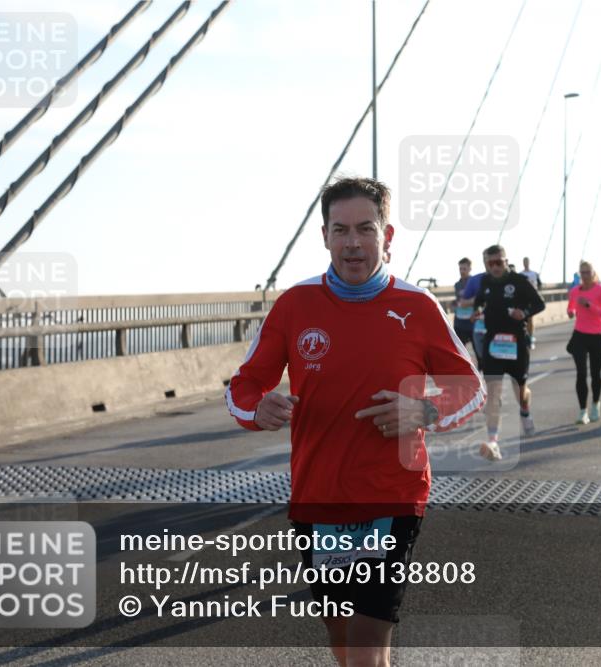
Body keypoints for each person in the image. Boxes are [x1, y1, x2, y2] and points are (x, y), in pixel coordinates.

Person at [227, 177, 485, 666]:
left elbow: (472, 389)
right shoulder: (294, 305)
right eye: (340, 230)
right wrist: (257, 409)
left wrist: (425, 410)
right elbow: (243, 386)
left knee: (367, 645)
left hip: (392, 496)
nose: (352, 243)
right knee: (343, 636)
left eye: (365, 229)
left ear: (387, 237)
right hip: (317, 498)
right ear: (324, 236)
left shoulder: (417, 306)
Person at [472, 244, 545, 460]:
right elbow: (479, 302)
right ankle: (493, 441)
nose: (495, 267)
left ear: (506, 261)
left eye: (499, 262)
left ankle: (525, 412)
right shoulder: (485, 281)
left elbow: (539, 304)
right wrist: (476, 311)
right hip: (493, 343)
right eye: (490, 263)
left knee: (520, 391)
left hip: (516, 344)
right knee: (493, 393)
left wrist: (524, 312)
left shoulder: (519, 282)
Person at [567, 261, 601, 424]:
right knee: (581, 374)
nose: (584, 276)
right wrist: (571, 312)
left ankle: (595, 404)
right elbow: (570, 307)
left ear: (593, 273)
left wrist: (589, 305)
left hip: (598, 337)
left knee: (595, 374)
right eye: (582, 273)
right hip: (579, 336)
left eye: (587, 272)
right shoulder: (575, 291)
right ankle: (582, 411)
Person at [452, 257, 475, 351]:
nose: (462, 271)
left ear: (470, 269)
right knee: (459, 350)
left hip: (472, 321)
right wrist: (454, 304)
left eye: (464, 269)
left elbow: (479, 300)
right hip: (459, 322)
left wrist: (468, 303)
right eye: (460, 269)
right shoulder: (457, 284)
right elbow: (458, 300)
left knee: (478, 352)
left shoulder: (475, 282)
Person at [520, 256, 542, 350]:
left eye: (527, 261)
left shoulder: (534, 274)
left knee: (530, 318)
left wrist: (537, 294)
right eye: (524, 261)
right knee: (524, 319)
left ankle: (531, 336)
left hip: (531, 298)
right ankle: (526, 336)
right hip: (523, 299)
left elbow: (540, 285)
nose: (526, 263)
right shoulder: (520, 274)